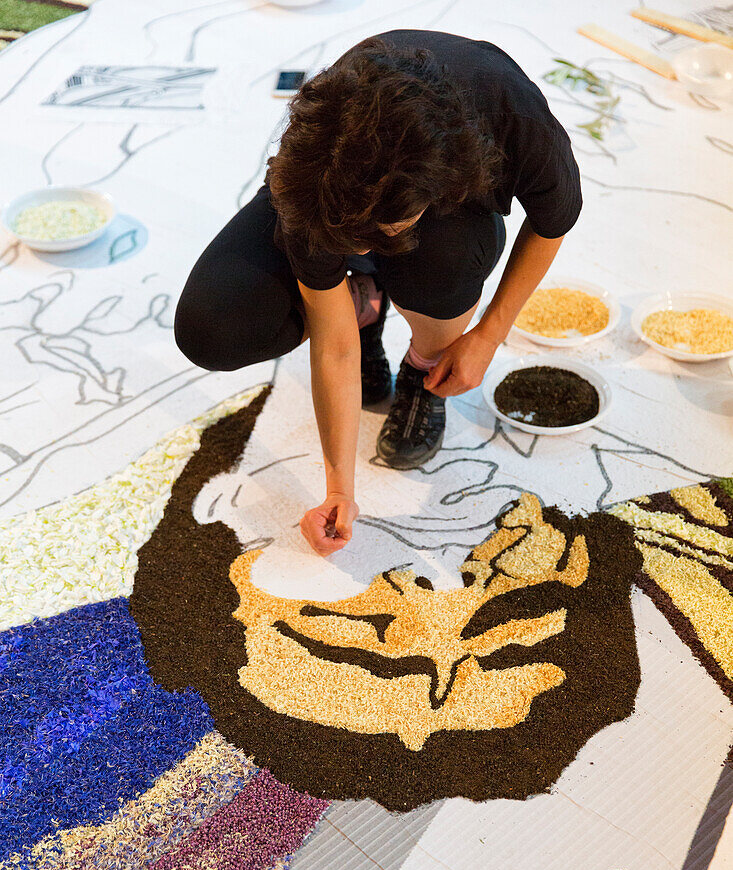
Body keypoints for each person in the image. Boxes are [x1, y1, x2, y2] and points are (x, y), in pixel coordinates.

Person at [174, 29, 582, 558]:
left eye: (383, 233)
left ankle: (422, 368)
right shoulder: (317, 169)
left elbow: (553, 223)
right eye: (356, 244)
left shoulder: (513, 116)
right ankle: (365, 306)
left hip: (452, 206)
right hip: (346, 192)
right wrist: (340, 489)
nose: (373, 247)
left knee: (445, 256)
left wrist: (489, 332)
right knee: (215, 327)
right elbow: (333, 343)